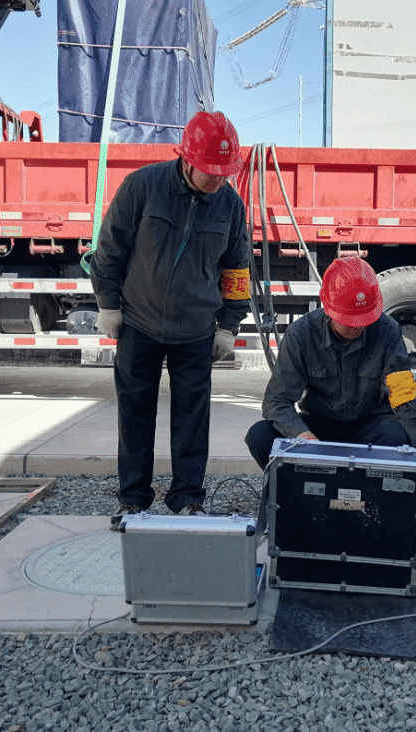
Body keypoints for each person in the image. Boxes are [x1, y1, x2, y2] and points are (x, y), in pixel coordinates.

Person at [90, 111, 251, 529]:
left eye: (224, 172)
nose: (217, 180)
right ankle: (133, 498)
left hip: (196, 331)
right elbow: (110, 249)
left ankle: (187, 499)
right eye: (210, 171)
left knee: (192, 418)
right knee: (135, 412)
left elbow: (237, 271)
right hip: (139, 323)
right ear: (187, 159)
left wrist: (229, 326)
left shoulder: (231, 206)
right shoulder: (143, 187)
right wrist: (108, 304)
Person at [245, 258, 416, 516]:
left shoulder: (387, 331)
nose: (357, 326)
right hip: (319, 426)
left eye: (363, 319)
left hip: (368, 426)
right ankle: (297, 501)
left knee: (396, 437)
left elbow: (404, 397)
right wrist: (306, 440)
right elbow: (277, 401)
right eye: (349, 320)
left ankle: (370, 506)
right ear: (328, 308)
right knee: (260, 436)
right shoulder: (301, 334)